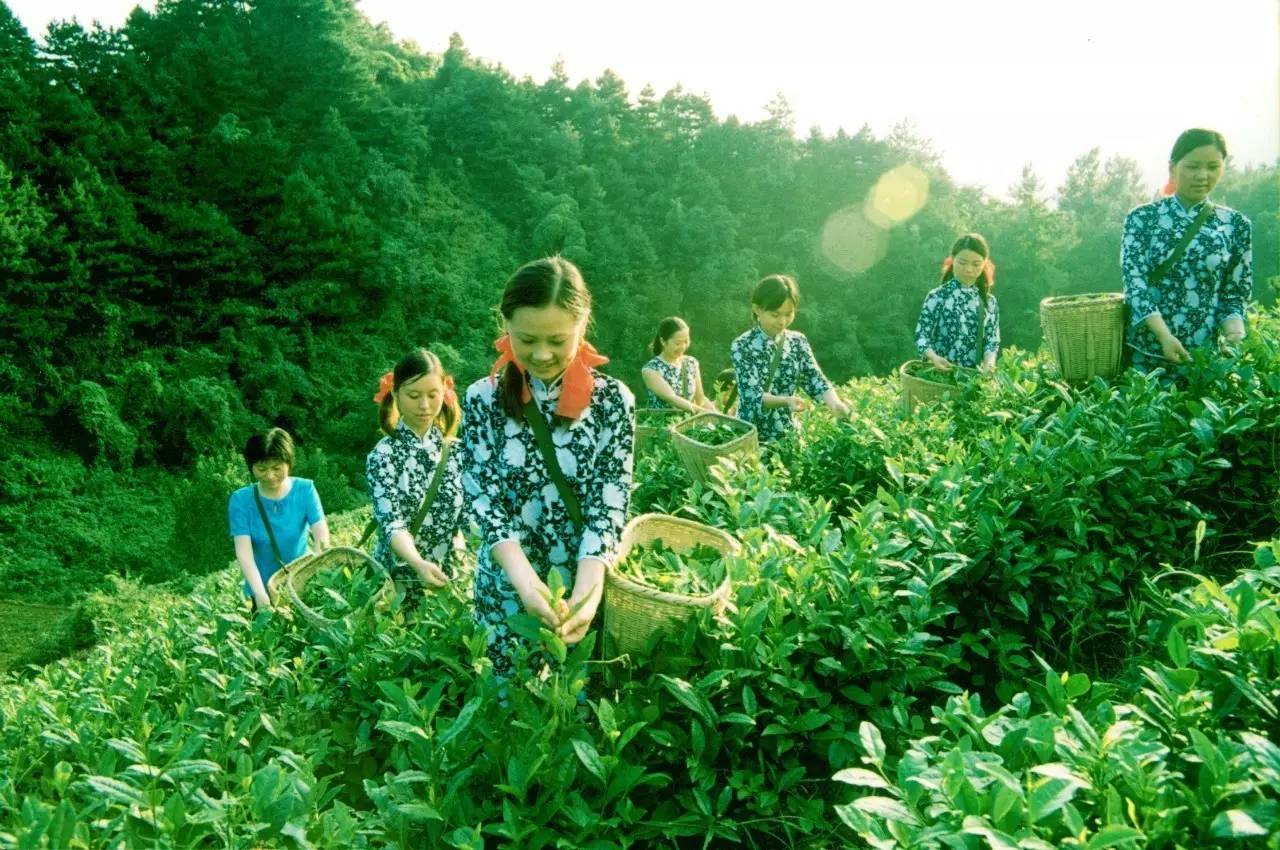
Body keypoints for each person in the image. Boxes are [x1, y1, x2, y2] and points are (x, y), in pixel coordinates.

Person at [461, 256, 634, 679]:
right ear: (505, 324)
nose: (541, 354)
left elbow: (610, 500)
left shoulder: (613, 402)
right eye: (527, 339)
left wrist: (588, 594)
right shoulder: (482, 400)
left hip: (579, 588)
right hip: (505, 588)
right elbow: (481, 497)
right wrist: (524, 580)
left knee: (575, 708)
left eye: (557, 340)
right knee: (508, 705)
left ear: (583, 323)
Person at [1122, 128, 1253, 370]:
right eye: (1192, 167)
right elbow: (1135, 285)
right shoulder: (1142, 219)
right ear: (1173, 168)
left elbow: (1234, 293)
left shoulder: (1235, 225)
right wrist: (1164, 336)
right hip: (1147, 358)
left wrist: (1235, 335)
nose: (1202, 175)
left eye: (1212, 167)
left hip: (1204, 361)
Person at [365, 348, 465, 610]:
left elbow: (467, 517)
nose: (424, 405)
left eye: (433, 395)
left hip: (449, 582)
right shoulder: (383, 456)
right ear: (395, 394)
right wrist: (418, 563)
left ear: (444, 394)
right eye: (413, 395)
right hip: (396, 585)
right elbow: (392, 524)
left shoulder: (456, 451)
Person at [730, 274, 851, 444]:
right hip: (753, 437)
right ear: (757, 309)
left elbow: (815, 378)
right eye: (775, 314)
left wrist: (835, 404)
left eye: (789, 314)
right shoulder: (742, 346)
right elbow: (752, 396)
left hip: (789, 434)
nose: (782, 321)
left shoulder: (797, 341)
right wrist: (786, 401)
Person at [228, 428, 329, 611]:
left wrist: (314, 576)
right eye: (261, 469)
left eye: (276, 468)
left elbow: (321, 537)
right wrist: (260, 594)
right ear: (251, 466)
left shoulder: (305, 489)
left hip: (300, 585)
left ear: (288, 463)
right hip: (260, 589)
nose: (270, 475)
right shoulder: (240, 500)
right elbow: (244, 552)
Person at [914, 233, 1000, 372]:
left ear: (984, 263)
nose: (968, 269)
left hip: (971, 383)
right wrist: (933, 357)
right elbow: (921, 336)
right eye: (962, 262)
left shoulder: (989, 302)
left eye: (976, 264)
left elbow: (991, 342)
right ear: (953, 259)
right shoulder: (937, 297)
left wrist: (989, 364)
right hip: (938, 378)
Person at [640, 317, 716, 414]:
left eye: (686, 341)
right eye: (678, 343)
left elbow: (700, 399)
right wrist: (704, 413)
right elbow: (672, 398)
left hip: (689, 425)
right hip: (663, 426)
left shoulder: (691, 363)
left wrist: (717, 415)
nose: (683, 346)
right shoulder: (650, 369)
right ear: (663, 341)